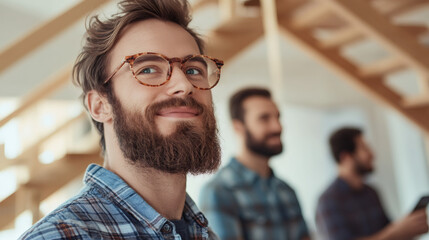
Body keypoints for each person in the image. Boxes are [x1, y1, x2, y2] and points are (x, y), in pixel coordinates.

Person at [19, 0, 224, 239]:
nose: (184, 85)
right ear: (100, 106)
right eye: (147, 69)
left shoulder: (204, 234)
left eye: (193, 70)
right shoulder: (61, 236)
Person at [200, 87, 310, 240]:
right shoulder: (219, 191)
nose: (277, 127)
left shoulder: (287, 191)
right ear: (238, 127)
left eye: (277, 117)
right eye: (264, 118)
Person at [316, 127, 429, 240]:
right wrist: (395, 232)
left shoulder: (371, 192)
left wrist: (408, 229)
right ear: (345, 157)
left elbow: (388, 232)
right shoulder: (328, 202)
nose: (372, 154)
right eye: (364, 148)